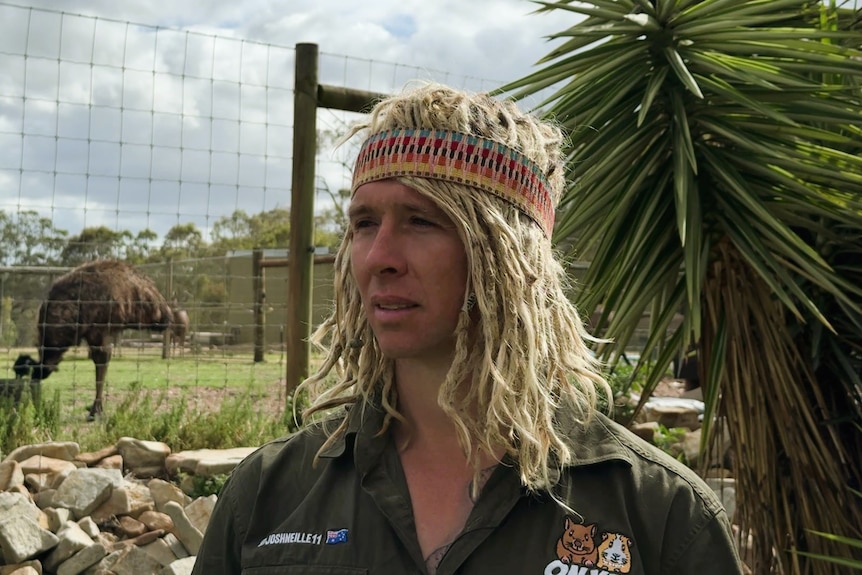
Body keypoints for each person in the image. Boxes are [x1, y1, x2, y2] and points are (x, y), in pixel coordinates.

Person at [192, 83, 743, 575]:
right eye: (364, 223)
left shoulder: (659, 513)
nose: (378, 256)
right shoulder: (268, 494)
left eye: (421, 221)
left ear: (508, 255)